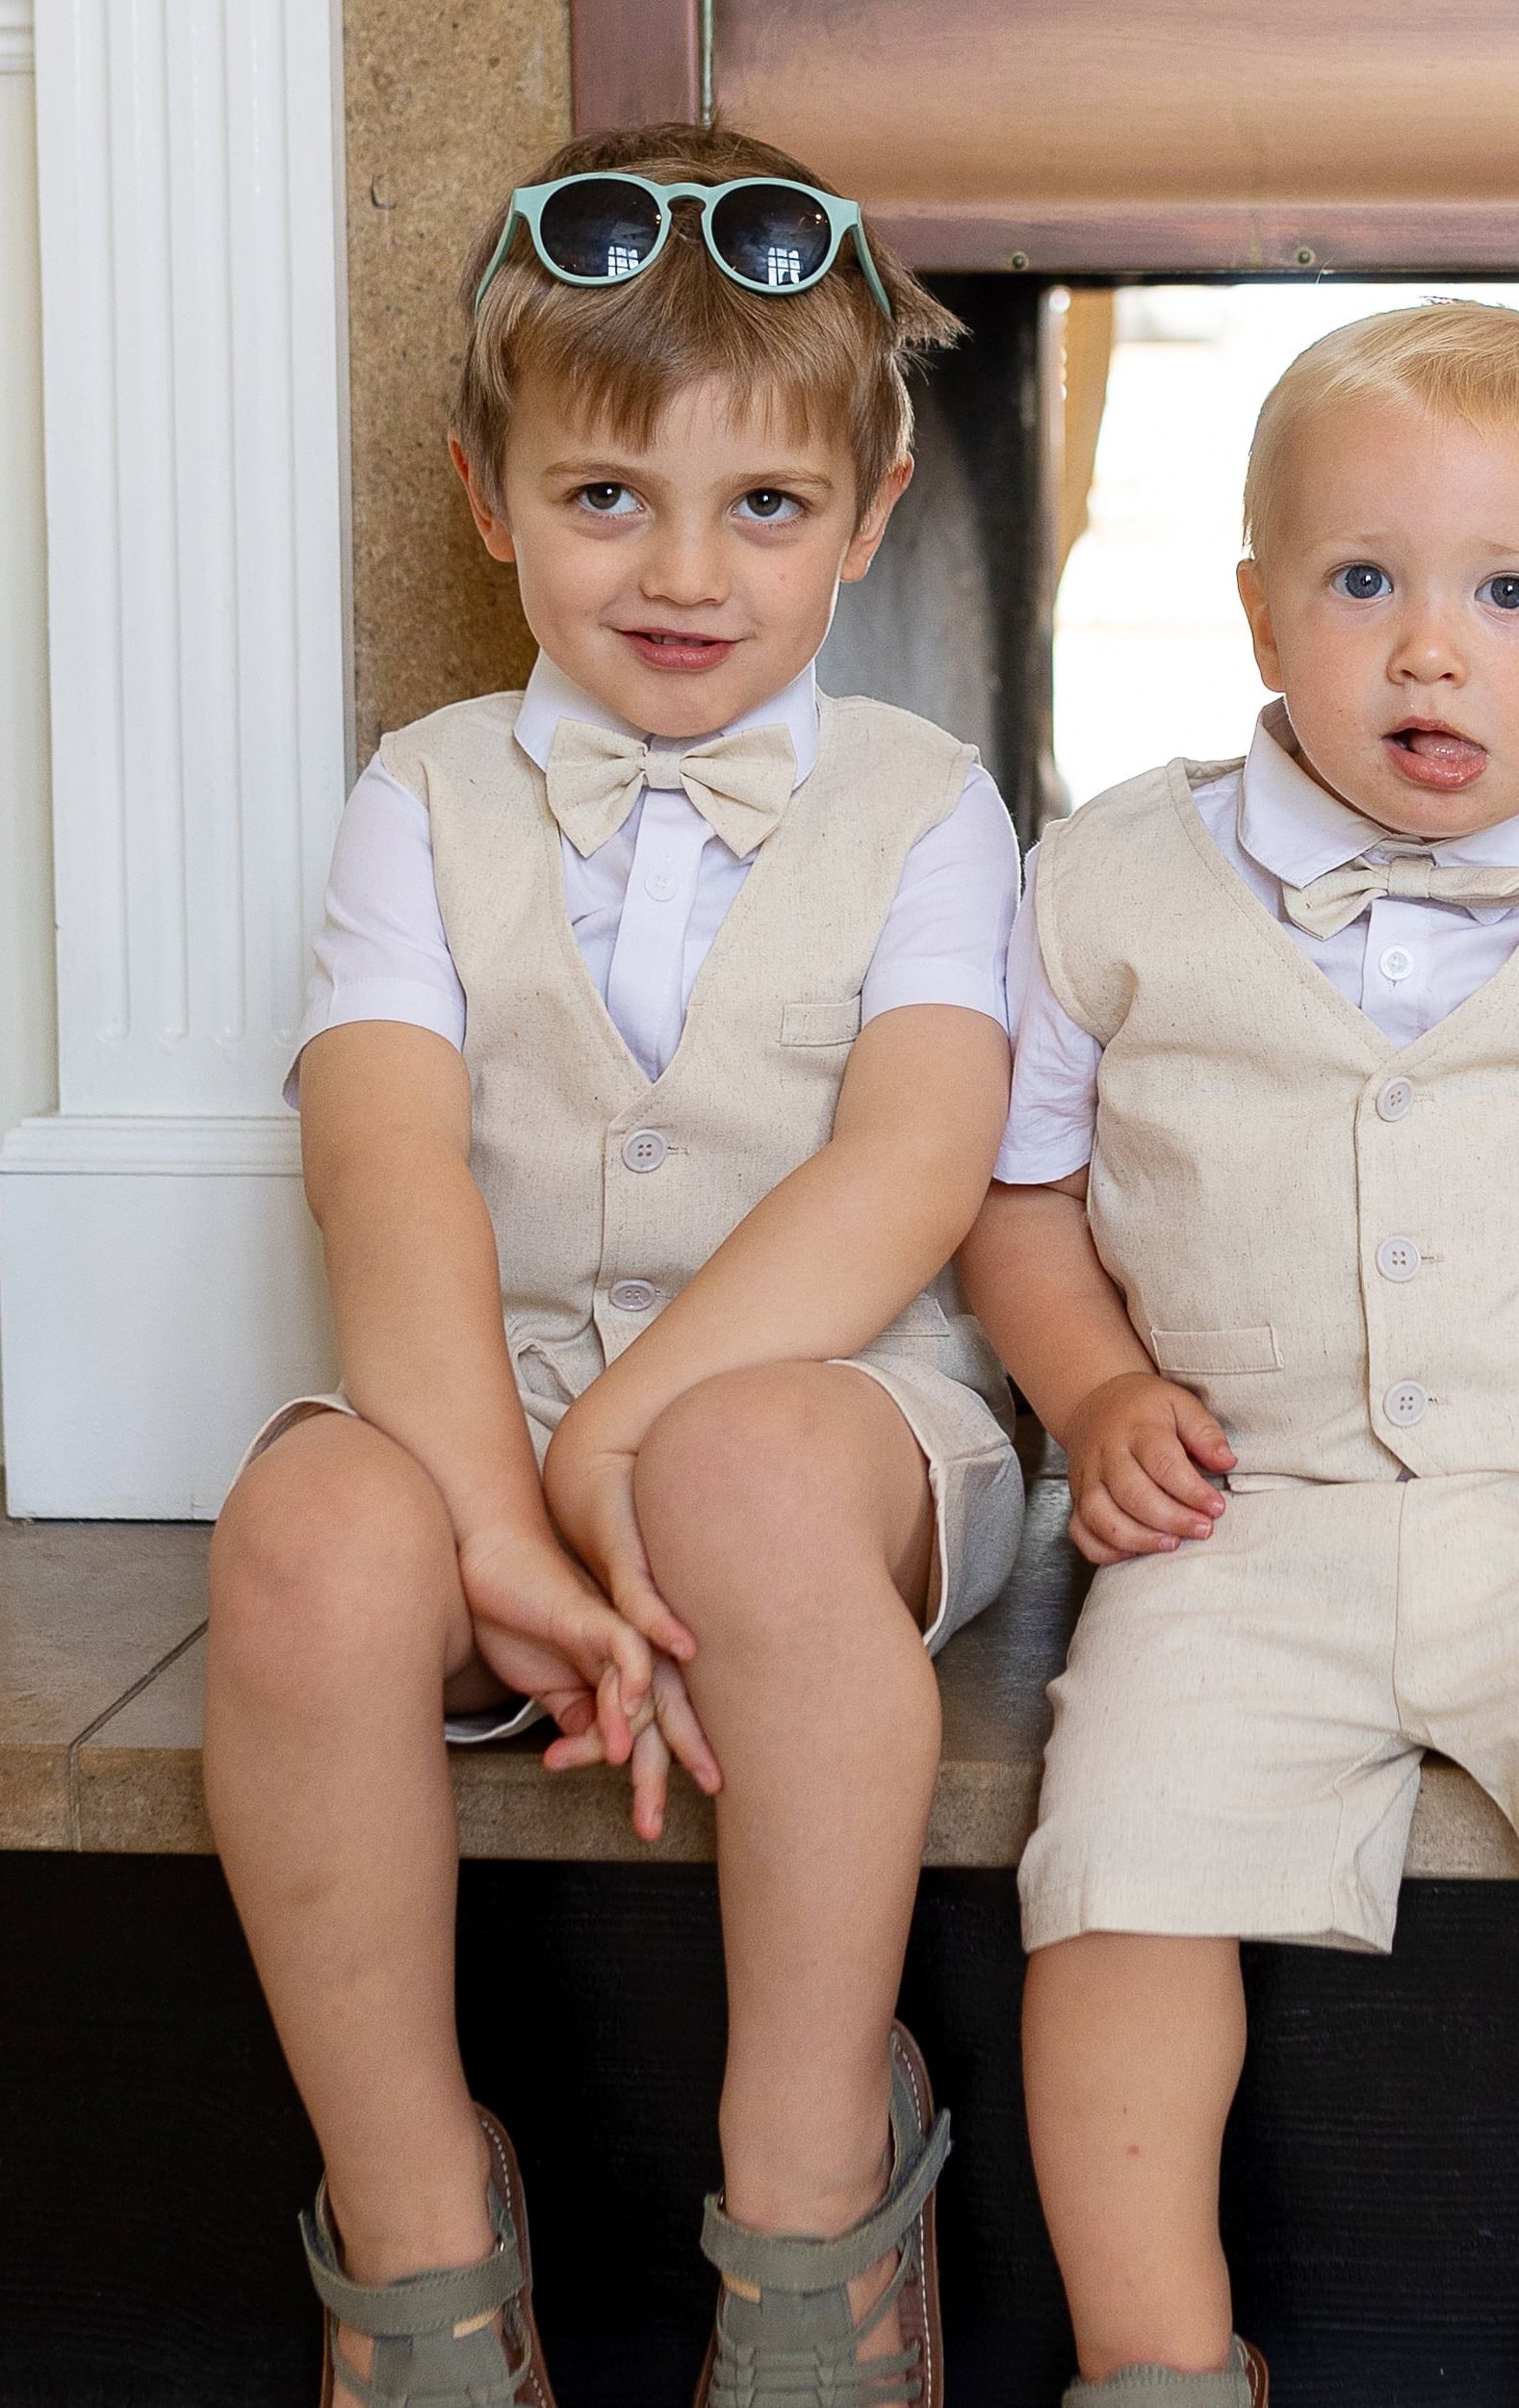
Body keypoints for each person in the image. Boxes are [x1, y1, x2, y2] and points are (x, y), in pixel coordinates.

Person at [204, 124, 1025, 2408]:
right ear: (491, 496)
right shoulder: (425, 790)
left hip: (832, 1413)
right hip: (493, 1399)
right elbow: (385, 1173)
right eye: (603, 498)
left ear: (867, 519)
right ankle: (419, 2231)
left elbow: (915, 1157)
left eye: (764, 506)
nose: (683, 570)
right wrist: (485, 1510)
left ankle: (804, 2197)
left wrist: (629, 1454)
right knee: (297, 1538)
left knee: (746, 1480)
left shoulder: (926, 799)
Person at [965, 302, 1519, 2408]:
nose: (1428, 650)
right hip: (1244, 1518)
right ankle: (1158, 2356)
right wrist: (1091, 1394)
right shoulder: (1111, 879)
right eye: (1364, 582)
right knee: (1111, 1879)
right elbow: (1017, 1201)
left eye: (1506, 594)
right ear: (1258, 607)